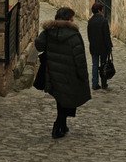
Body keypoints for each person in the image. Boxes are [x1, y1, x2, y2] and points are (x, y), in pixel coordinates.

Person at [35, 7, 91, 139]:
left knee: (60, 99)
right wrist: (84, 76)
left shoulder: (49, 32)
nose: (73, 20)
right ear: (68, 19)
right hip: (69, 74)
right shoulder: (74, 35)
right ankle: (57, 126)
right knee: (65, 99)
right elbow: (80, 58)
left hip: (53, 73)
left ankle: (63, 125)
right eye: (72, 17)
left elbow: (38, 45)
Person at [87, 2, 113, 90]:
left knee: (94, 65)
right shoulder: (104, 21)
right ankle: (104, 83)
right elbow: (106, 35)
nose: (103, 11)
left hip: (94, 46)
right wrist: (109, 46)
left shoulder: (90, 21)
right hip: (103, 47)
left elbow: (89, 35)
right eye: (102, 9)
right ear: (99, 10)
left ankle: (95, 84)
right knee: (103, 65)